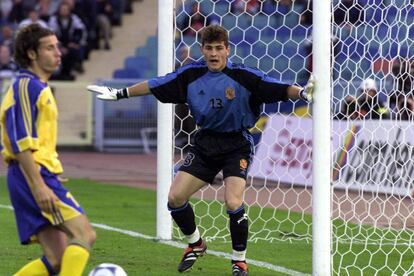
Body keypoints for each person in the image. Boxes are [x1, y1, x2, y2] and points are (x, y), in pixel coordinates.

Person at [87, 25, 314, 276]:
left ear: (227, 49)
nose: (214, 54)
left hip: (236, 144)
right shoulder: (190, 76)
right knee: (174, 198)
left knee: (233, 201)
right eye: (209, 48)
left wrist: (303, 92)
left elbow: (278, 88)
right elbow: (155, 84)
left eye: (219, 48)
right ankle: (196, 244)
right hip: (205, 143)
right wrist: (119, 94)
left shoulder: (244, 77)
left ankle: (239, 261)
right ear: (202, 50)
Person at [0, 24, 96, 276]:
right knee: (84, 233)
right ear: (32, 54)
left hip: (38, 173)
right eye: (49, 47)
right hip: (32, 175)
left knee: (56, 259)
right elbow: (21, 142)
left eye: (57, 46)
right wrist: (39, 184)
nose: (58, 52)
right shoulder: (26, 87)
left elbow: (37, 141)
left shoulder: (37, 86)